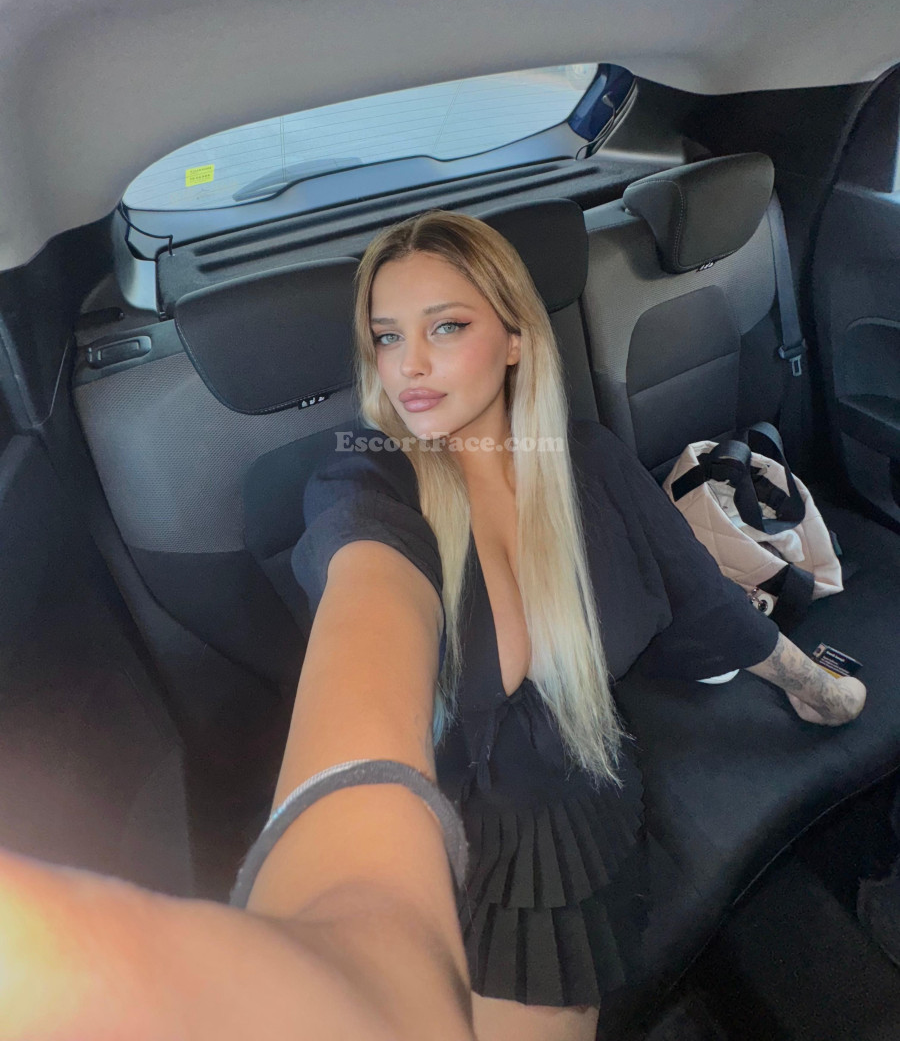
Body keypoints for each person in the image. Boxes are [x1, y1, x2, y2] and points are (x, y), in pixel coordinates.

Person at [0, 209, 865, 1041]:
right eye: (386, 336)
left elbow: (703, 598)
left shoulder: (591, 462)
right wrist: (346, 926)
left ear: (515, 338)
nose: (407, 364)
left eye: (446, 327)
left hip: (571, 798)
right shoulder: (364, 482)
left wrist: (813, 685)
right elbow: (367, 621)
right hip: (432, 820)